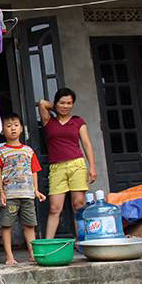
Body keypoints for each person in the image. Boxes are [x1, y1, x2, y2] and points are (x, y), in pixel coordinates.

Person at [38, 88, 97, 239]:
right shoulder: (48, 121)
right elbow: (42, 104)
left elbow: (86, 144)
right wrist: (57, 107)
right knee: (54, 208)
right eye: (62, 103)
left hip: (77, 165)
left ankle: (83, 241)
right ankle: (47, 244)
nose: (65, 106)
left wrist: (92, 167)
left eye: (69, 103)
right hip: (57, 168)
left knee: (78, 205)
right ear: (56, 103)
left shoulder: (78, 121)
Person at [0, 113, 47, 265]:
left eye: (16, 125)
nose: (13, 129)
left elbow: (34, 171)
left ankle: (32, 254)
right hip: (10, 195)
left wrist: (36, 191)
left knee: (29, 224)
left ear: (21, 129)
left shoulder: (28, 151)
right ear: (2, 131)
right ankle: (9, 256)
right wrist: (1, 193)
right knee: (7, 225)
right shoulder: (0, 152)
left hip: (27, 194)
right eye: (8, 126)